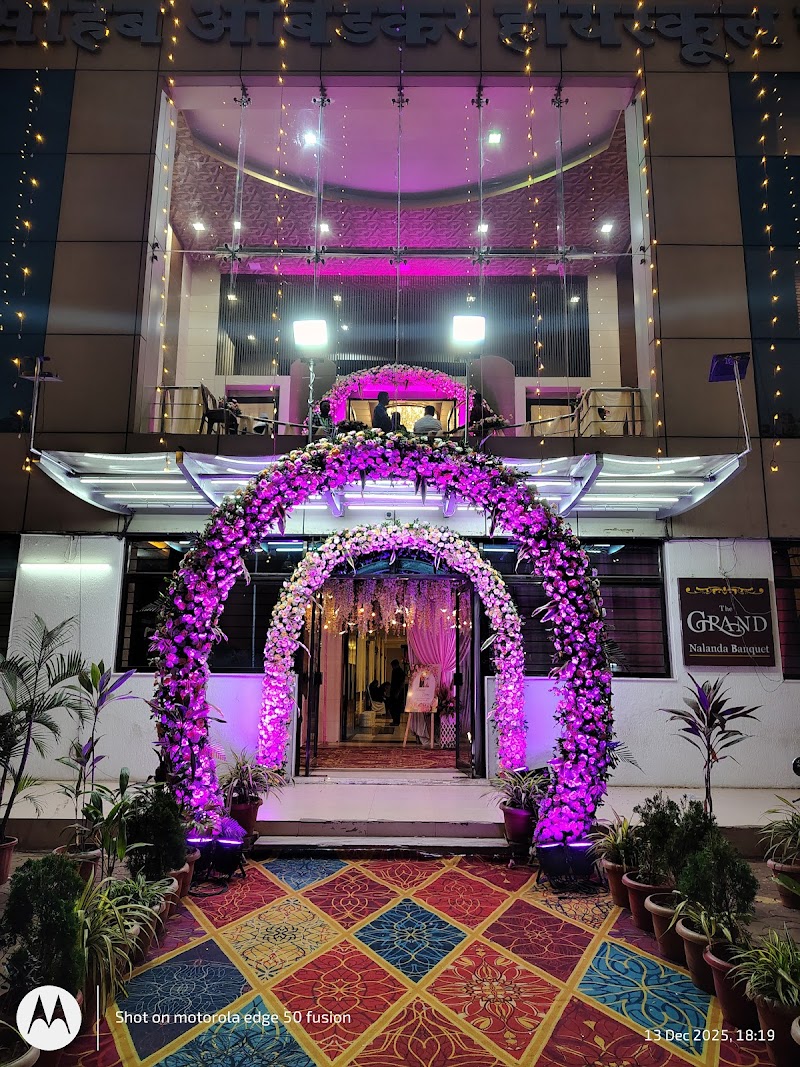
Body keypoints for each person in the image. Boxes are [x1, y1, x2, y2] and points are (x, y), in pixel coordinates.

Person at [387, 657, 406, 727]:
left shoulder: (400, 672)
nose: (392, 667)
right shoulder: (395, 671)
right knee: (393, 707)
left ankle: (396, 721)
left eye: (392, 666)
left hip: (397, 693)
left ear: (395, 665)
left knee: (396, 708)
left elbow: (401, 684)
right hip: (394, 692)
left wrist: (398, 692)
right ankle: (395, 721)